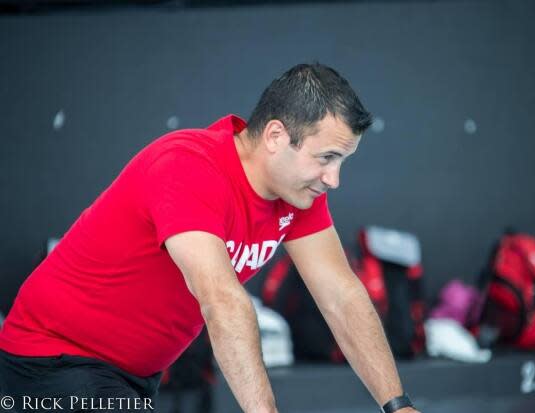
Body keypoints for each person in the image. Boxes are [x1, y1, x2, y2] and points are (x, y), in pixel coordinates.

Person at [0, 63, 420, 413]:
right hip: (50, 363)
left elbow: (341, 295)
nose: (334, 179)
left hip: (130, 378)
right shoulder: (187, 166)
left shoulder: (297, 193)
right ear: (276, 136)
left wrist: (398, 406)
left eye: (342, 161)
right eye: (326, 158)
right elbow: (221, 299)